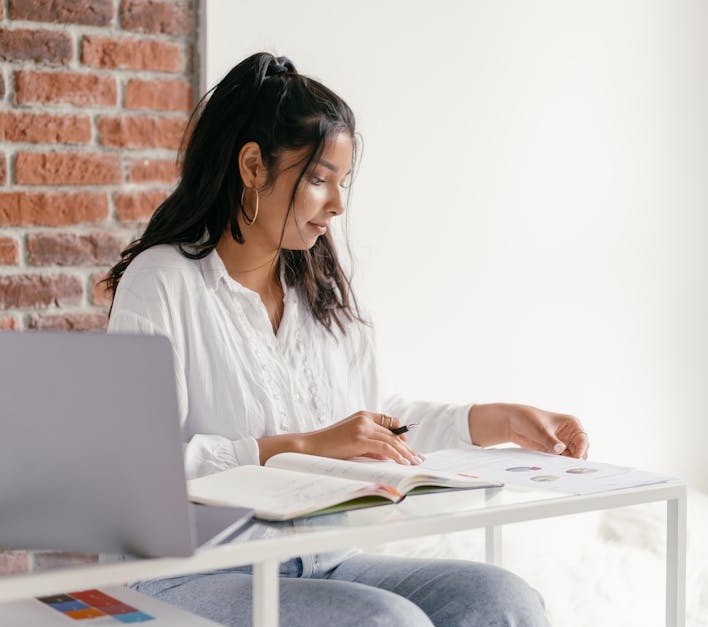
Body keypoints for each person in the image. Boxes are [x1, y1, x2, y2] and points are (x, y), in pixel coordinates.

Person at [104, 52, 588, 627]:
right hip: (195, 572)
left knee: (502, 599)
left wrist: (494, 421)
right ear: (253, 166)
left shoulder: (318, 290)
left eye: (343, 183)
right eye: (317, 179)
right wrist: (305, 446)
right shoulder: (163, 284)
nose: (337, 204)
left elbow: (372, 422)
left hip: (324, 561)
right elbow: (135, 471)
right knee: (386, 622)